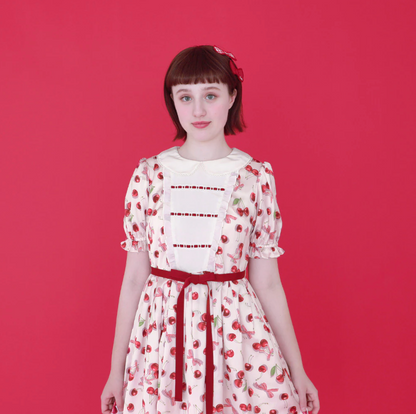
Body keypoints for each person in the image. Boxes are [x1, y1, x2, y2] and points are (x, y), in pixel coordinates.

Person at [101, 44, 320, 414]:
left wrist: (298, 370)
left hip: (234, 337)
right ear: (173, 102)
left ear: (232, 97)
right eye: (185, 97)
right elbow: (134, 279)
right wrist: (115, 371)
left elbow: (267, 283)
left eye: (211, 95)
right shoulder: (149, 175)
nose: (198, 110)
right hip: (161, 340)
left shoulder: (255, 177)